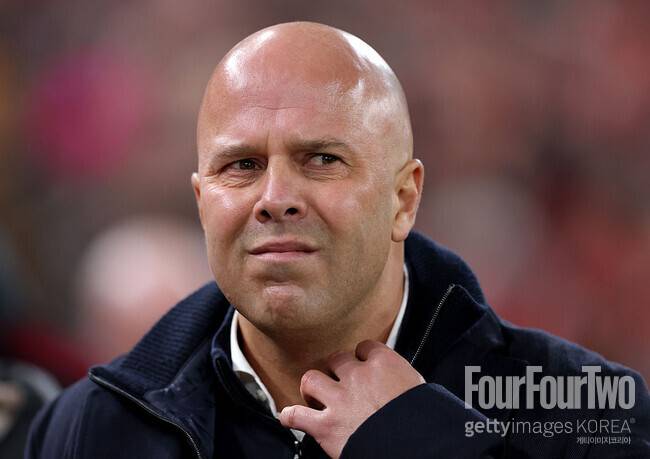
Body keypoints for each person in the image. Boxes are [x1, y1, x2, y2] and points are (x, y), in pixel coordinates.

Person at [25, 22, 649, 459]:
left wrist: (422, 445)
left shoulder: (586, 413)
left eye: (322, 159)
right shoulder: (85, 431)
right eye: (241, 166)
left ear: (403, 199)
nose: (275, 197)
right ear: (201, 203)